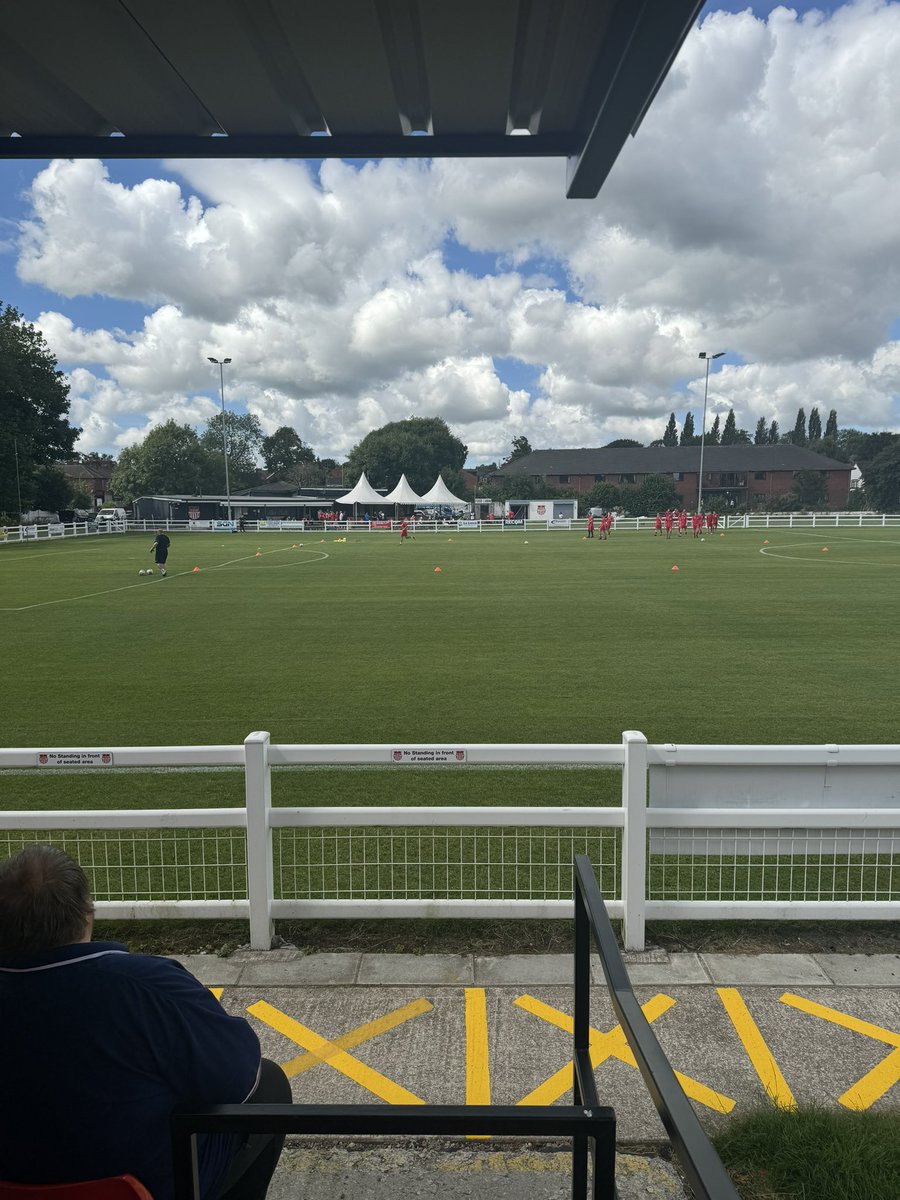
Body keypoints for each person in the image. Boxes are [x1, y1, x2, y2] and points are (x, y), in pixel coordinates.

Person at [0, 845, 291, 1200]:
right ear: (87, 915)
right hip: (138, 1186)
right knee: (271, 1085)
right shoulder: (146, 986)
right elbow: (239, 1075)